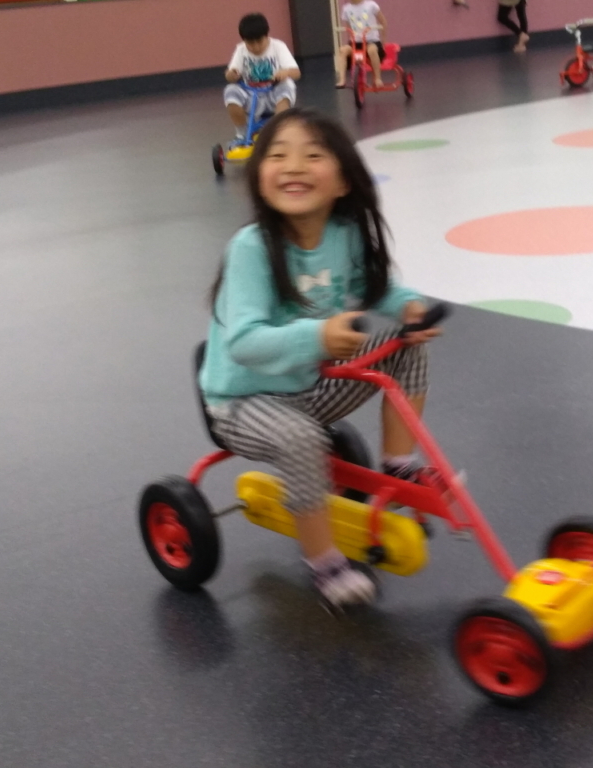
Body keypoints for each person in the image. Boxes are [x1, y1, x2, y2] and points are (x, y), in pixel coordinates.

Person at [199, 108, 440, 609]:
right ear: (259, 174)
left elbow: (373, 287)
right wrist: (319, 336)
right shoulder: (251, 248)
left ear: (344, 181)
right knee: (302, 439)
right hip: (241, 402)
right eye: (278, 155)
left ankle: (397, 465)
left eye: (313, 155)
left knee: (406, 346)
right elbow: (243, 342)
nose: (294, 166)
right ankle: (324, 562)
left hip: (307, 386)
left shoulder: (343, 233)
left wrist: (407, 307)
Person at [224, 13, 301, 149]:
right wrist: (232, 74)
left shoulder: (278, 47)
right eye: (250, 43)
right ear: (244, 41)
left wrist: (286, 72)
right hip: (252, 96)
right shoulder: (241, 50)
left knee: (286, 86)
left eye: (259, 42)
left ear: (267, 36)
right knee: (230, 91)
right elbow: (230, 74)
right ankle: (242, 134)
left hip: (273, 94)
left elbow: (296, 73)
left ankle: (278, 132)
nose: (256, 47)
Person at [335, 0, 388, 89]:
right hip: (355, 42)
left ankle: (378, 78)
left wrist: (384, 40)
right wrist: (352, 38)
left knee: (372, 50)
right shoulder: (346, 9)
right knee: (342, 50)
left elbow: (383, 22)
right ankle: (342, 80)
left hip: (371, 40)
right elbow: (349, 27)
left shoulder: (371, 5)